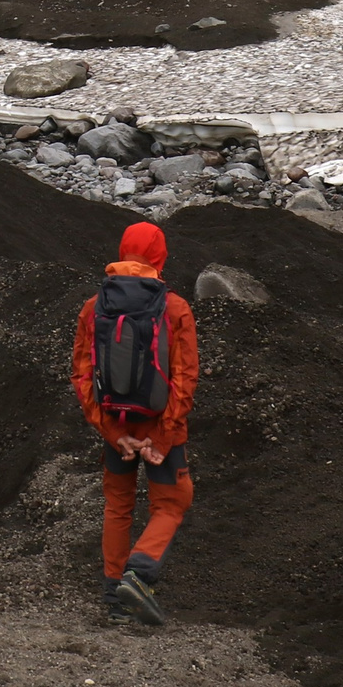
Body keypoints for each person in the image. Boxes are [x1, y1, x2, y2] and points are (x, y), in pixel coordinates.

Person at [70, 221, 197, 626]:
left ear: (123, 251)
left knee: (118, 504)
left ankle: (114, 592)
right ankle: (139, 576)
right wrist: (162, 436)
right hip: (159, 424)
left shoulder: (94, 306)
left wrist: (112, 431)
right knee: (173, 502)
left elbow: (82, 375)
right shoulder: (174, 307)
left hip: (115, 424)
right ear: (160, 257)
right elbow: (184, 378)